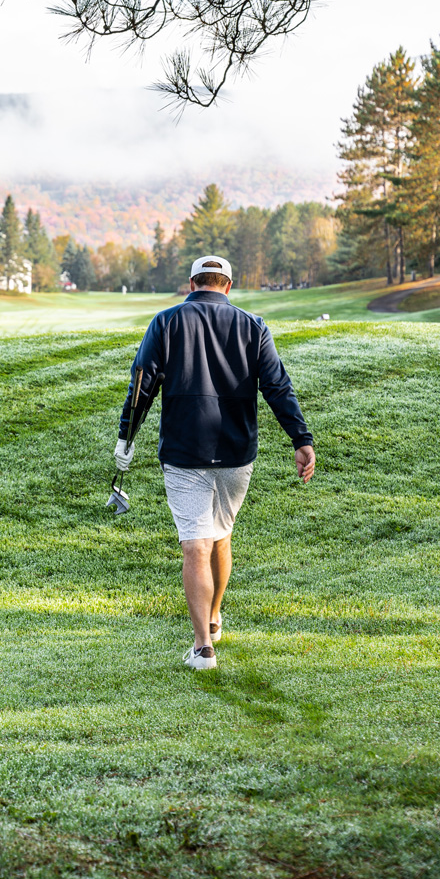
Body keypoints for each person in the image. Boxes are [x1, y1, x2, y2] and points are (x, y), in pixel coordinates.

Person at [114, 255, 315, 670]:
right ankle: (213, 618)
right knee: (220, 537)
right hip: (237, 452)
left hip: (185, 451)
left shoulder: (166, 322)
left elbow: (142, 383)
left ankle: (203, 646)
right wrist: (301, 438)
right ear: (228, 285)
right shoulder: (254, 326)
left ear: (191, 284)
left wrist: (125, 437)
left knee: (195, 545)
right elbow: (277, 386)